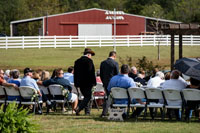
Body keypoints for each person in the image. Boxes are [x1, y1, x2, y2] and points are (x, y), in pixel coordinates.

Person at [74, 48, 96, 115]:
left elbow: (75, 74)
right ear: (89, 55)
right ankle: (79, 108)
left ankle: (87, 112)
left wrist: (76, 83)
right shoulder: (89, 61)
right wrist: (94, 82)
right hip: (88, 82)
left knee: (86, 96)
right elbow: (91, 73)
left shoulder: (77, 61)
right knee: (88, 97)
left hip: (80, 82)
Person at [100, 51, 119, 117]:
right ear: (114, 56)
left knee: (108, 96)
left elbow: (101, 74)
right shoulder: (115, 63)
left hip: (105, 82)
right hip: (113, 82)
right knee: (109, 97)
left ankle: (111, 111)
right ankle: (104, 112)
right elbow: (117, 74)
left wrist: (103, 82)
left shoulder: (103, 63)